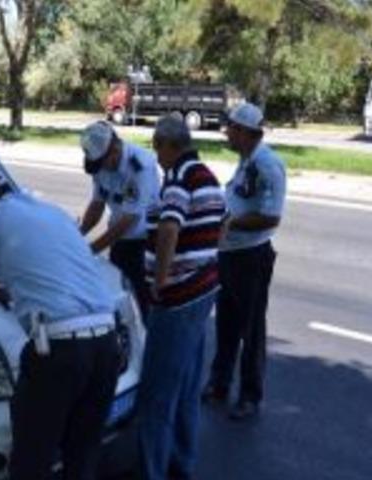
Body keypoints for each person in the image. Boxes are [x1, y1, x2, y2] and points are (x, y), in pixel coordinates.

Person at [0, 169, 120, 480]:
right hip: (106, 345)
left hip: (60, 352)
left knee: (32, 457)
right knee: (82, 453)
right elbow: (59, 272)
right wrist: (15, 293)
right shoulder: (51, 211)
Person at [135, 116, 225, 480]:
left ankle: (152, 471)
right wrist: (204, 258)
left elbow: (169, 227)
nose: (156, 156)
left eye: (157, 147)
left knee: (157, 396)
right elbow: (225, 223)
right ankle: (181, 465)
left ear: (171, 144)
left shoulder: (179, 179)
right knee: (186, 389)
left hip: (177, 299)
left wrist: (159, 281)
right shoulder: (208, 177)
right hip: (203, 290)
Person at [202, 103, 286, 421]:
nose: (227, 133)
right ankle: (219, 383)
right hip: (230, 255)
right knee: (226, 324)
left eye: (231, 128)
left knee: (250, 329)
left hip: (251, 257)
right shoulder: (246, 160)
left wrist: (231, 224)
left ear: (245, 132)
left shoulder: (268, 164)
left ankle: (250, 395)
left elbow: (270, 216)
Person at [79, 121, 160, 320]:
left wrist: (90, 250)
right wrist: (77, 236)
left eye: (102, 162)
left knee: (141, 303)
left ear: (115, 148)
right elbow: (97, 205)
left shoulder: (141, 166)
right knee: (120, 298)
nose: (101, 169)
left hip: (145, 243)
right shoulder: (101, 164)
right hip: (119, 241)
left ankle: (145, 345)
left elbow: (128, 221)